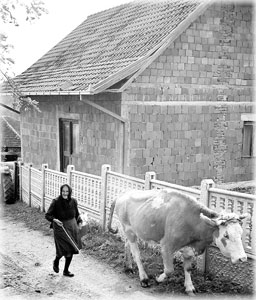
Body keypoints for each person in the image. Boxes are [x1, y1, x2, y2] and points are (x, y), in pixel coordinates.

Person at [45, 184, 82, 277]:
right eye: (63, 191)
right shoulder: (56, 202)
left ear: (69, 192)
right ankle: (56, 260)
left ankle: (66, 270)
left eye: (67, 191)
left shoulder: (73, 201)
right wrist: (55, 220)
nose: (65, 193)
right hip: (60, 228)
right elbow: (48, 215)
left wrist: (80, 222)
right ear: (60, 191)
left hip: (72, 227)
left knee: (71, 249)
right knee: (63, 248)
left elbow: (76, 214)